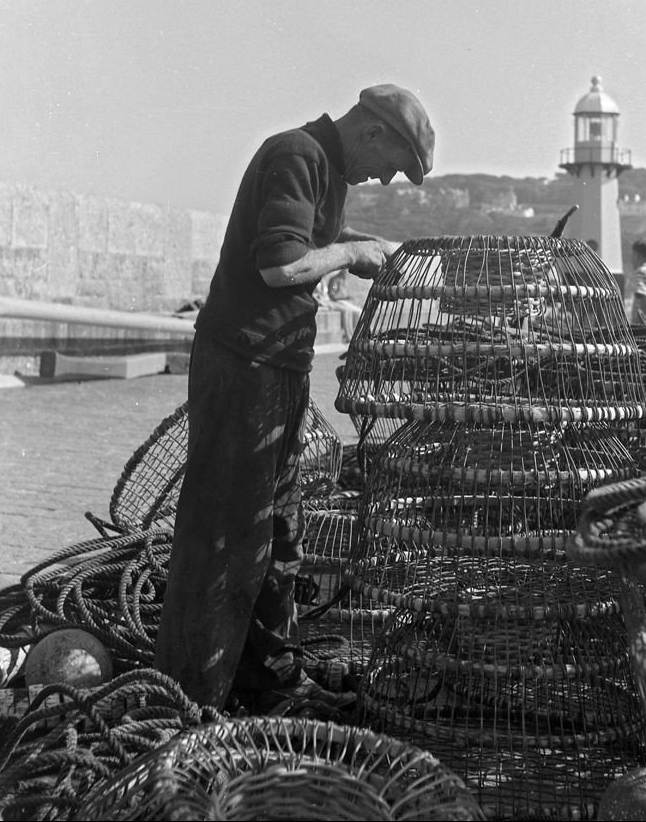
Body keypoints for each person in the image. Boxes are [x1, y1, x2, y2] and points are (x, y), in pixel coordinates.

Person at [154, 83, 435, 712]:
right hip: (242, 364)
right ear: (371, 132)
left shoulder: (325, 170)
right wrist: (354, 252)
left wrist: (364, 244)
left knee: (277, 529)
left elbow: (309, 237)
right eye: (389, 165)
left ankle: (272, 683)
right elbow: (279, 266)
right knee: (226, 533)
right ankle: (191, 694)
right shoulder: (297, 154)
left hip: (276, 366)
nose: (384, 178)